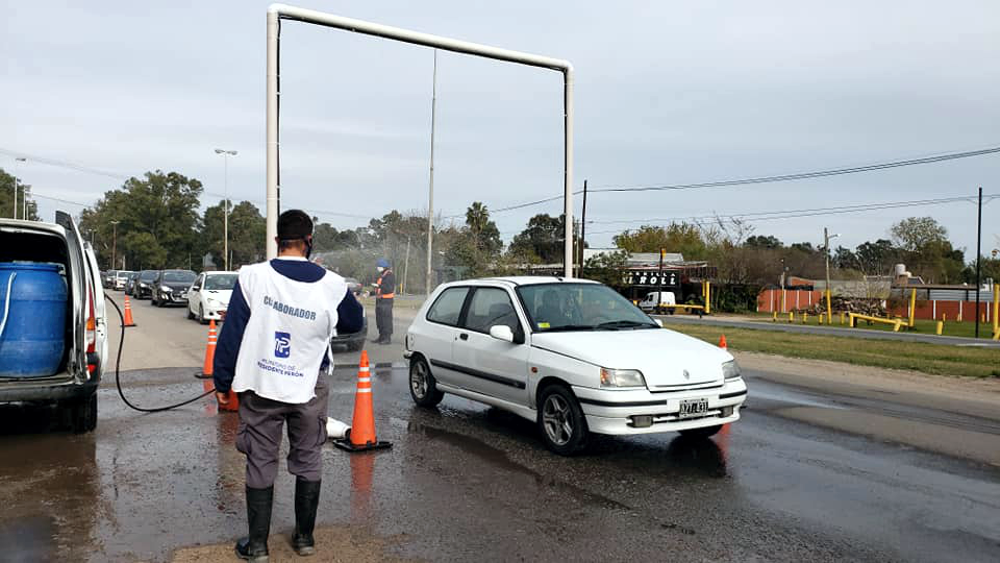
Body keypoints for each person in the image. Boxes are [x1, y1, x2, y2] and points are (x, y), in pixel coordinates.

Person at [213, 210, 364, 562]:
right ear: (309, 242)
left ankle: (258, 546)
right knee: (309, 455)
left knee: (260, 460)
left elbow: (232, 333)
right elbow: (355, 320)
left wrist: (223, 381)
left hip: (262, 383)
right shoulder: (331, 283)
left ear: (278, 241)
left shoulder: (253, 277)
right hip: (311, 385)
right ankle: (305, 539)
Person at [371, 258, 395, 344]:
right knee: (379, 319)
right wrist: (370, 293)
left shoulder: (390, 275)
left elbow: (388, 289)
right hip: (379, 300)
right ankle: (381, 336)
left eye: (379, 266)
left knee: (386, 320)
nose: (378, 268)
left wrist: (378, 285)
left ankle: (387, 338)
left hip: (386, 301)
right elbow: (378, 289)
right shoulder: (381, 275)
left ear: (384, 267)